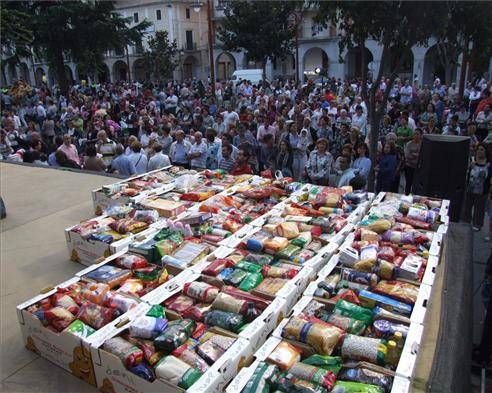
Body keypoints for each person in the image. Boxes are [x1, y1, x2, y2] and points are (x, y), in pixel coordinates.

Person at [462, 144, 490, 231]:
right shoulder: (472, 160)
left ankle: (477, 224)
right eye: (478, 149)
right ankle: (466, 221)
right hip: (470, 188)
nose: (479, 151)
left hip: (482, 191)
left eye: (482, 150)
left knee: (479, 209)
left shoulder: (489, 164)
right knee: (467, 206)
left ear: (486, 151)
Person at [403, 128, 423, 195]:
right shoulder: (409, 144)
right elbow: (407, 156)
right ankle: (406, 195)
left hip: (418, 168)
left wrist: (413, 154)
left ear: (421, 135)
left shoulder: (423, 144)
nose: (416, 135)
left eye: (417, 134)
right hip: (409, 167)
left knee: (417, 185)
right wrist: (417, 155)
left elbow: (422, 156)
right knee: (408, 183)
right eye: (414, 134)